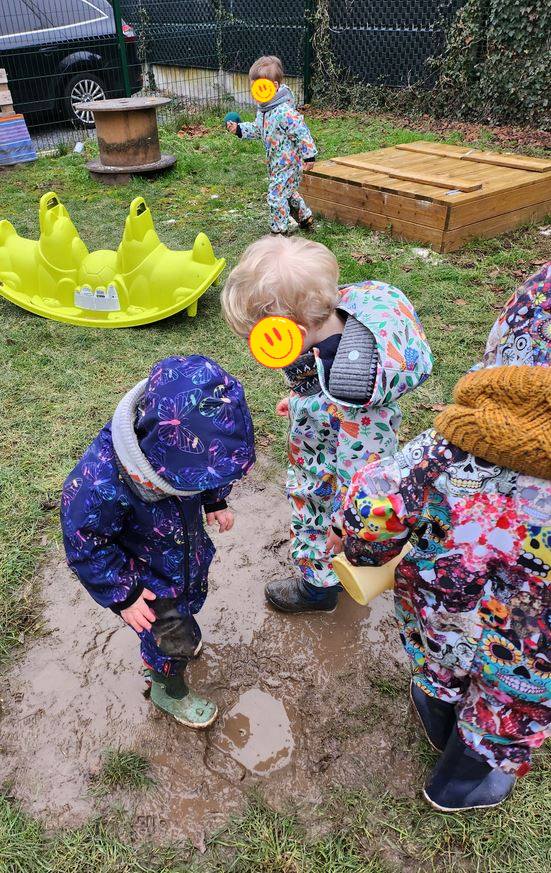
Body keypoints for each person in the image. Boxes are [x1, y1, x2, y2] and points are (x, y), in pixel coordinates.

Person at [341, 263, 551, 811]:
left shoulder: (448, 443)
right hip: (536, 646)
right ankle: (458, 783)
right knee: (508, 706)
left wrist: (368, 553)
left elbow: (375, 506)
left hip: (443, 606)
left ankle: (436, 713)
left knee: (440, 664)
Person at [221, 234, 433, 613]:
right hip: (329, 443)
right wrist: (304, 402)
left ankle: (317, 591)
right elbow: (320, 388)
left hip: (332, 484)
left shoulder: (351, 396)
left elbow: (362, 471)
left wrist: (342, 523)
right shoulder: (339, 330)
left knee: (315, 528)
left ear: (295, 334)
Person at [61, 355, 255, 729]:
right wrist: (124, 595)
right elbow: (84, 541)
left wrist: (214, 499)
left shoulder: (184, 448)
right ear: (157, 466)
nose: (201, 487)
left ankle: (178, 642)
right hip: (146, 586)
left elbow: (210, 466)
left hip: (182, 557)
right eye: (196, 485)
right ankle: (167, 686)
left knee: (188, 607)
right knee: (170, 639)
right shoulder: (99, 483)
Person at [226, 55, 317, 235]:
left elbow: (301, 131)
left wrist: (309, 155)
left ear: (274, 87)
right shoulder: (265, 110)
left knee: (276, 196)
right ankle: (305, 216)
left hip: (288, 164)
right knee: (288, 192)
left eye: (259, 88)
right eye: (253, 88)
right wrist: (239, 130)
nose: (255, 93)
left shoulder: (284, 112)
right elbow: (258, 129)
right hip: (276, 164)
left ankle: (279, 231)